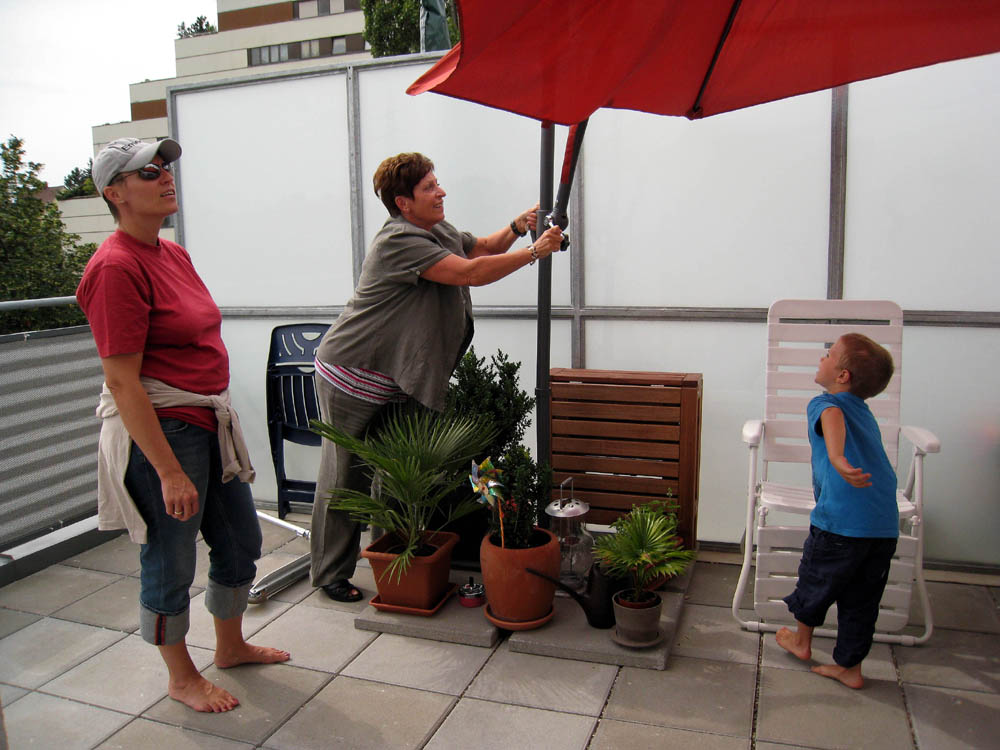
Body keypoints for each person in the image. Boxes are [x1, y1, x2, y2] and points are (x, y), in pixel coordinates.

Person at [76, 137, 289, 713]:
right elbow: (123, 382)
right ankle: (180, 676)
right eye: (148, 172)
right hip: (164, 433)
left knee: (240, 540)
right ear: (114, 193)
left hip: (205, 421)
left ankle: (231, 646)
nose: (165, 176)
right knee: (170, 558)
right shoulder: (115, 267)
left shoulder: (171, 254)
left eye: (165, 167)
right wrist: (168, 472)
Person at [310, 152, 564, 601]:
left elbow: (480, 249)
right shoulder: (397, 241)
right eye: (428, 187)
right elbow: (469, 273)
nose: (441, 191)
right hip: (353, 373)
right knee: (345, 477)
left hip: (395, 379)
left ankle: (395, 563)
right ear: (403, 202)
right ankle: (330, 573)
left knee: (397, 474)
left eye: (437, 182)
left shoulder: (438, 230)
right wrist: (533, 252)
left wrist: (517, 226)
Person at [776, 333, 898, 689]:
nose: (822, 358)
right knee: (862, 601)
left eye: (828, 355)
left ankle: (802, 642)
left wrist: (837, 457)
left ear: (842, 375)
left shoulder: (824, 403)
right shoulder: (865, 413)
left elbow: (832, 417)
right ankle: (850, 668)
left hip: (840, 523)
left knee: (815, 581)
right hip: (883, 526)